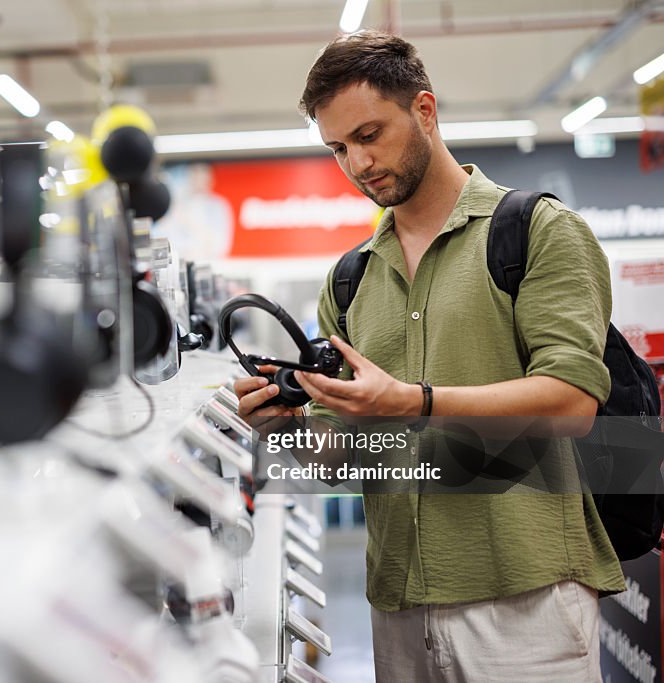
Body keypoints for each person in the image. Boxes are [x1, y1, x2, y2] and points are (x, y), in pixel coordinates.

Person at [235, 30, 624, 682]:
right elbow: (340, 457)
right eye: (338, 148)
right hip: (400, 603)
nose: (358, 163)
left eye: (369, 134)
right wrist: (285, 427)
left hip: (525, 601)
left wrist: (414, 402)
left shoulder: (535, 233)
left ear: (424, 110)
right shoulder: (350, 280)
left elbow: (572, 401)